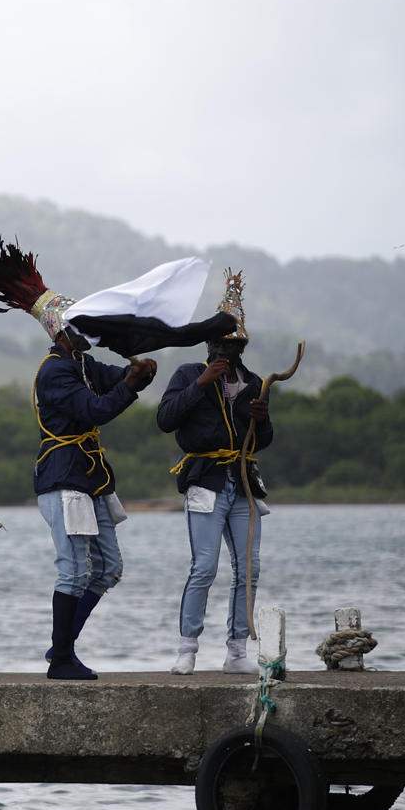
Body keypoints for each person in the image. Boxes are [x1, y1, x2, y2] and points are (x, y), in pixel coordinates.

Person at [0, 243, 244, 680]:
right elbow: (96, 410)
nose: (87, 336)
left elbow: (116, 380)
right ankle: (61, 658)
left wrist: (138, 376)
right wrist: (132, 385)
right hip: (64, 478)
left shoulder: (82, 363)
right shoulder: (55, 371)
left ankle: (60, 647)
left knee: (108, 569)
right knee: (76, 569)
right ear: (61, 333)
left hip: (89, 479)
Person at [157, 270, 273, 674]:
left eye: (236, 344)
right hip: (205, 479)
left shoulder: (254, 381)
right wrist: (202, 384)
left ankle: (237, 651)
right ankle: (187, 648)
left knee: (249, 569)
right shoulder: (189, 374)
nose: (229, 350)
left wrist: (260, 417)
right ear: (209, 343)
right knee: (204, 566)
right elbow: (166, 419)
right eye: (223, 343)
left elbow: (263, 440)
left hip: (242, 483)